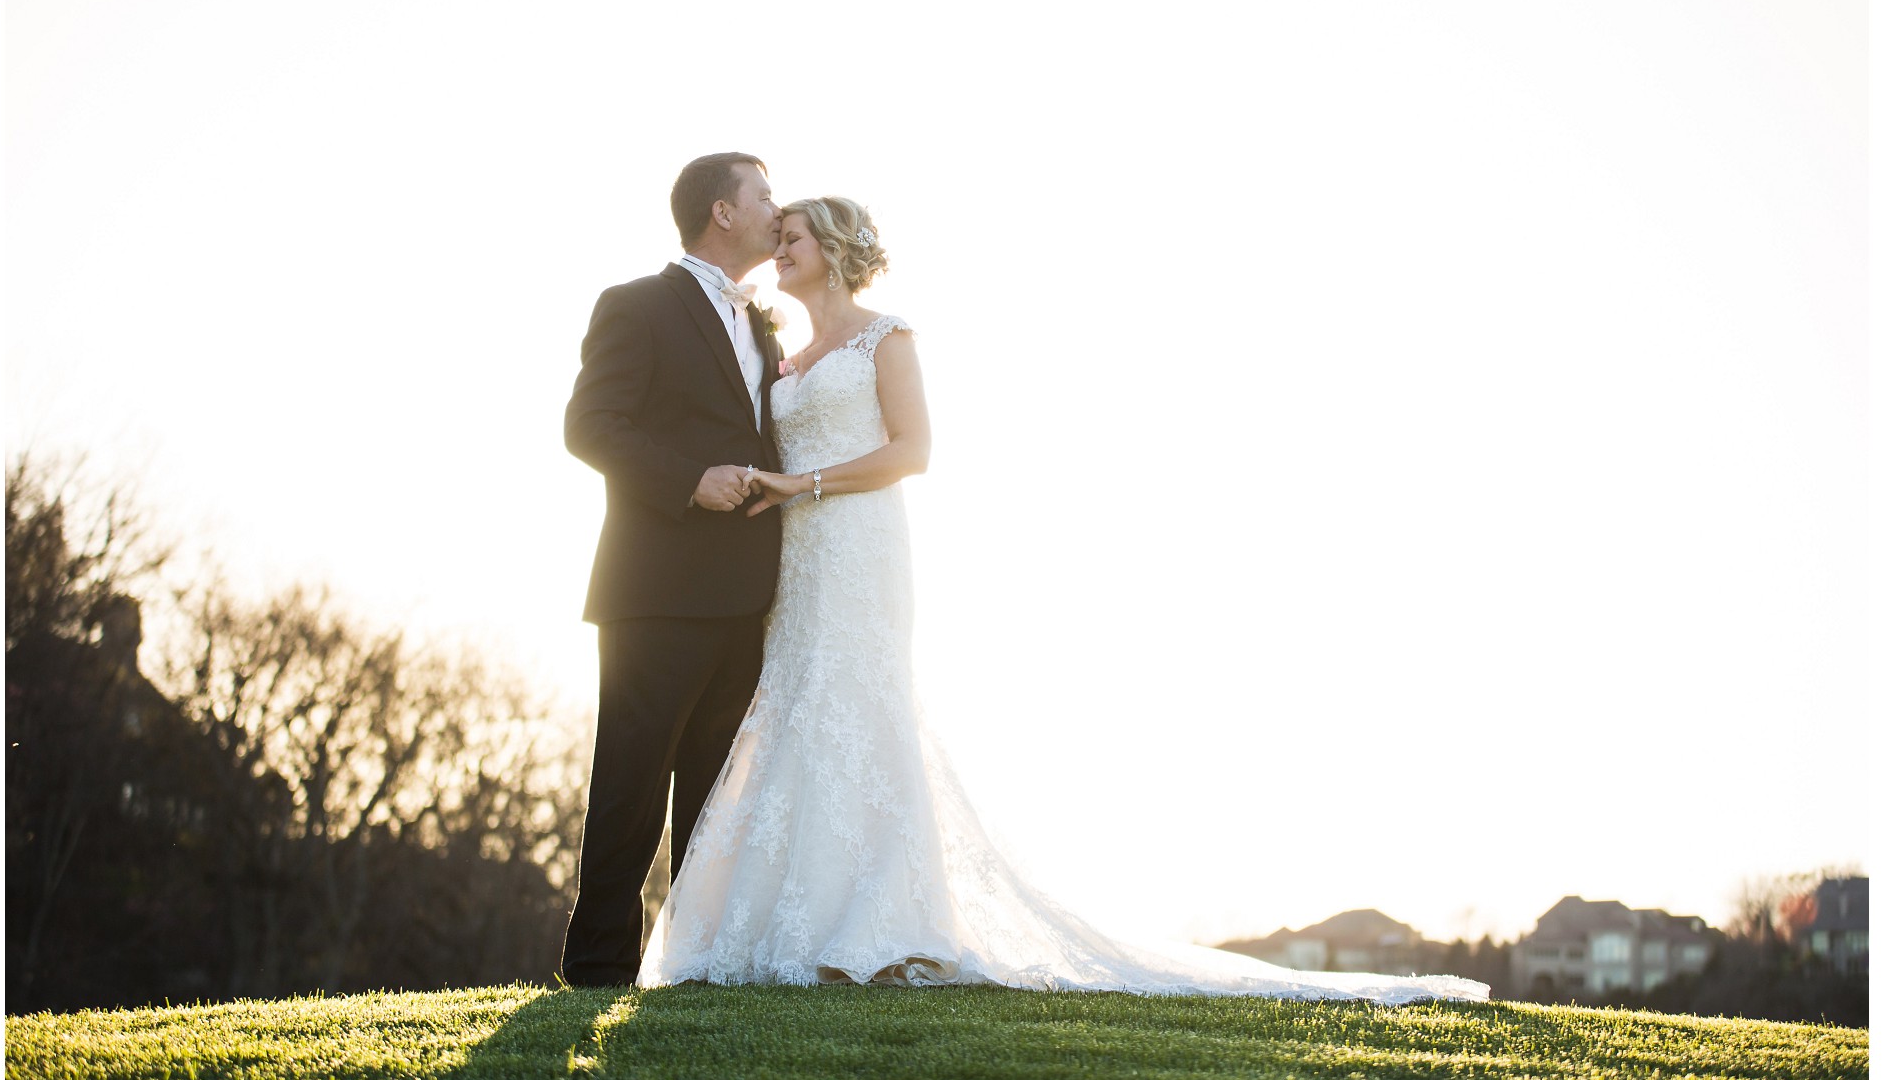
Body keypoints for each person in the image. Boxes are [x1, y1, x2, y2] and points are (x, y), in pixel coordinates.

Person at [638, 197, 1489, 1003]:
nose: (779, 251)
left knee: (862, 703)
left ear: (833, 250)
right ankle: (789, 922)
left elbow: (914, 451)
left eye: (794, 239)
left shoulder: (886, 338)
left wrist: (803, 482)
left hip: (861, 544)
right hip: (800, 558)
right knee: (796, 706)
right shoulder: (784, 356)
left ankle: (879, 925)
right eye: (776, 235)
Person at [558, 152, 788, 988]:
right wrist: (689, 481)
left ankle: (688, 964)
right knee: (630, 784)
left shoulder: (767, 324)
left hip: (746, 596)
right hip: (654, 591)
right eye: (763, 193)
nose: (776, 206)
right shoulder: (637, 306)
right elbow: (590, 425)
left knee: (715, 795)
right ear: (721, 213)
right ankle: (596, 969)